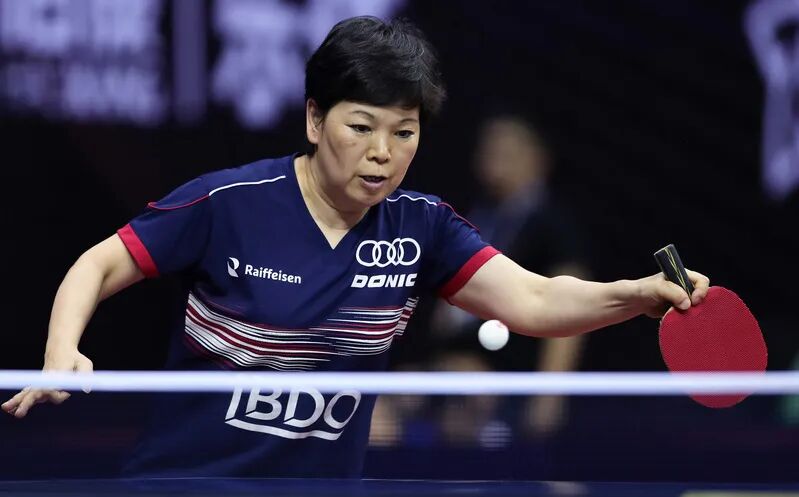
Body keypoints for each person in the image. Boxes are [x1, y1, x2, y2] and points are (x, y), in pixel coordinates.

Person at [1, 16, 709, 478]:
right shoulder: (230, 202)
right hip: (187, 484)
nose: (382, 153)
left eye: (404, 133)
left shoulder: (421, 227)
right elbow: (100, 262)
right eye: (361, 127)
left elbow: (534, 298)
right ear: (315, 119)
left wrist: (635, 295)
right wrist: (62, 348)